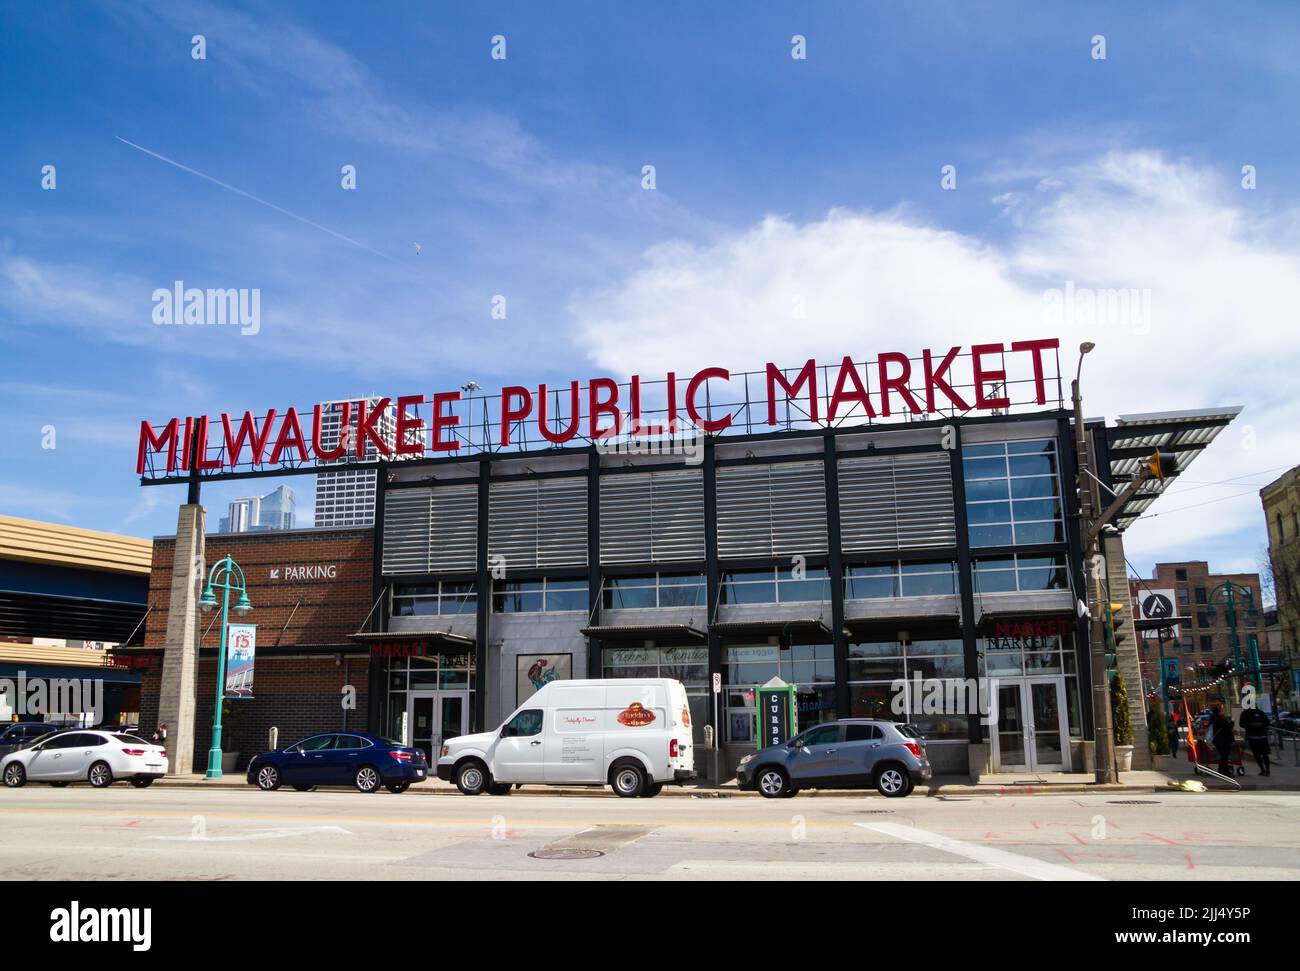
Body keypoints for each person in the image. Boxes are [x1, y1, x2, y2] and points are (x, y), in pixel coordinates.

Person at [1239, 706, 1271, 776]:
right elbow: (1241, 724)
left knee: (1264, 754)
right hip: (1253, 737)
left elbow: (1267, 722)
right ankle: (1263, 769)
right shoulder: (1245, 714)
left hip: (1261, 736)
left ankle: (1267, 770)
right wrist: (1250, 725)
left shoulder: (1260, 713)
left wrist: (1259, 725)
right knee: (1258, 755)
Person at [1209, 705, 1234, 776]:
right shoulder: (1221, 719)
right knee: (1224, 756)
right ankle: (1225, 772)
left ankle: (1221, 770)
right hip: (1224, 740)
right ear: (1219, 711)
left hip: (1218, 740)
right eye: (1221, 710)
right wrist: (1232, 722)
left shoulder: (1214, 718)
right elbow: (1227, 729)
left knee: (1223, 756)